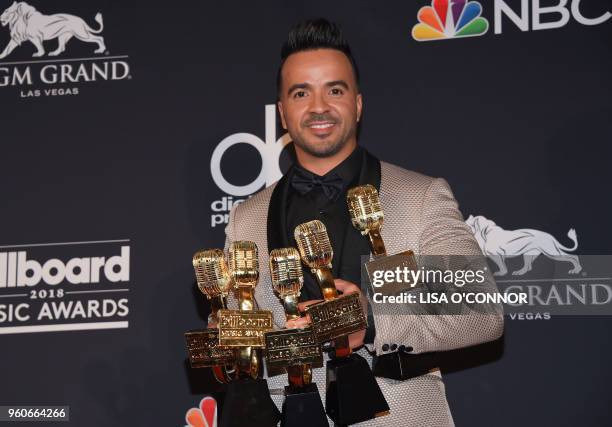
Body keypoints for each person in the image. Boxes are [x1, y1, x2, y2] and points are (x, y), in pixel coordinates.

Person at [222, 18, 504, 426]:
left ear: (357, 103)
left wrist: (371, 322)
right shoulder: (245, 218)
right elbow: (243, 332)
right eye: (302, 93)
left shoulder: (418, 196)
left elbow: (482, 313)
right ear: (283, 113)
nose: (319, 106)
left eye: (334, 90)